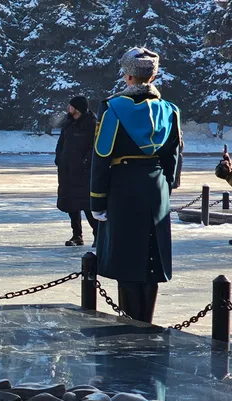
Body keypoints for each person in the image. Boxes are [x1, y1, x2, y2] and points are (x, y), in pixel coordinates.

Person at [91, 47, 182, 324]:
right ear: (153, 75)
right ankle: (148, 325)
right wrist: (165, 186)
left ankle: (130, 327)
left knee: (126, 261)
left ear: (127, 76)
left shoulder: (113, 108)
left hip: (123, 188)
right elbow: (174, 159)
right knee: (151, 263)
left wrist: (97, 200)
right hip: (156, 189)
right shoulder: (170, 110)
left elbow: (102, 155)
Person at [55, 96, 98, 246]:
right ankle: (76, 235)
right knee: (71, 204)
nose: (68, 107)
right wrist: (59, 158)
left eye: (71, 105)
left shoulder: (91, 124)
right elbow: (61, 143)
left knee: (87, 204)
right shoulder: (68, 123)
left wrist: (86, 162)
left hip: (83, 172)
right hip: (67, 170)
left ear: (77, 108)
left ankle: (98, 235)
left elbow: (94, 147)